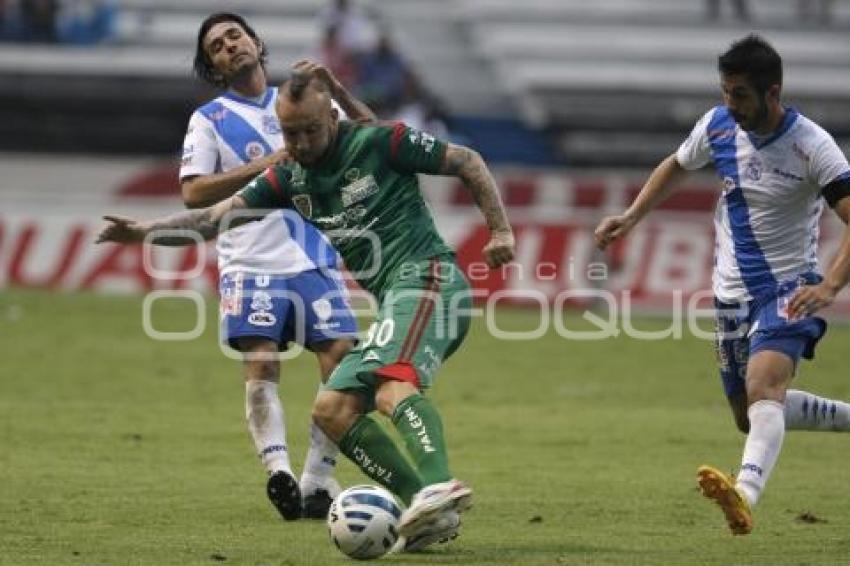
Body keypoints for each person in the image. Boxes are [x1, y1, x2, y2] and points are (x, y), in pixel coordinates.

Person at [97, 67, 515, 552]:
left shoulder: (379, 142)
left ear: (330, 120)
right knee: (331, 409)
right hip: (398, 298)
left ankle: (439, 483)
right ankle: (426, 512)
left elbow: (467, 160)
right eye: (289, 133)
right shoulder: (288, 177)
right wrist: (144, 231)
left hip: (429, 280)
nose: (300, 143)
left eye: (310, 130)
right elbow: (212, 220)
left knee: (389, 381)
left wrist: (500, 231)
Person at [594, 34, 850, 535]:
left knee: (764, 387)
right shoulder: (716, 126)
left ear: (772, 93)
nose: (730, 104)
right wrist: (631, 217)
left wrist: (832, 286)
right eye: (726, 92)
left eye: (741, 95)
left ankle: (744, 493)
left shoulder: (811, 145)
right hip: (730, 294)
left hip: (789, 288)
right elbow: (677, 164)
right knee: (751, 412)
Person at [182, 13, 377, 521]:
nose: (230, 47)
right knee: (263, 360)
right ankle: (279, 472)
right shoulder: (210, 119)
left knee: (341, 356)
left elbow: (368, 132)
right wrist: (265, 165)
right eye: (217, 47)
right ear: (213, 66)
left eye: (235, 36)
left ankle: (315, 479)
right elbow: (193, 191)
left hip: (315, 254)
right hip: (250, 260)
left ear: (256, 41)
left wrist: (336, 86)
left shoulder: (304, 97)